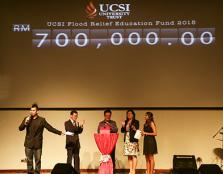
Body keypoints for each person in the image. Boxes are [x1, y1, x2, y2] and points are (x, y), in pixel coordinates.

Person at [19, 103, 63, 174]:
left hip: (38, 144)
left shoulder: (42, 120)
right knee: (29, 161)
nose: (31, 111)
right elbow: (20, 128)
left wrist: (59, 132)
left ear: (37, 111)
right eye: (31, 110)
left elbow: (49, 128)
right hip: (28, 144)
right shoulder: (27, 119)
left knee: (38, 161)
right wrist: (25, 122)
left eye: (33, 110)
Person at [65, 110, 84, 174]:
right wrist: (77, 126)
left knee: (77, 160)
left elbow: (79, 132)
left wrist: (81, 126)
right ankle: (68, 172)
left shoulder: (77, 123)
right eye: (75, 115)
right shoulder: (67, 123)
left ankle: (77, 172)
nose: (76, 117)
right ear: (71, 116)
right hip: (70, 144)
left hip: (76, 144)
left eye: (77, 116)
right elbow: (71, 130)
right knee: (69, 160)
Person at [121, 109, 139, 174]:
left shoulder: (136, 121)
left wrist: (134, 128)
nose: (129, 115)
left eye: (130, 113)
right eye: (128, 114)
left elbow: (137, 129)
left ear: (133, 115)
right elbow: (122, 131)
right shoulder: (126, 121)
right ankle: (130, 170)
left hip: (133, 139)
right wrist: (123, 126)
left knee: (134, 154)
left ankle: (134, 170)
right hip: (127, 139)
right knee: (129, 155)